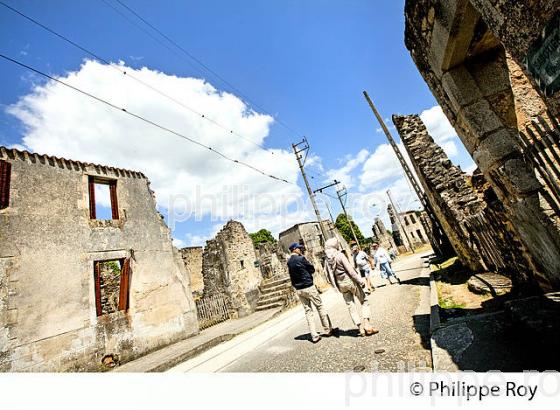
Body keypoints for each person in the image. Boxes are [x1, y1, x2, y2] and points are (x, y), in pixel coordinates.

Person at [325, 238, 378, 337]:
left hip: (340, 284)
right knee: (364, 301)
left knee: (350, 306)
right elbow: (351, 271)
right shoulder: (340, 255)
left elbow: (327, 275)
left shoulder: (327, 259)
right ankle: (367, 325)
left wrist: (335, 285)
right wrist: (360, 281)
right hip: (349, 281)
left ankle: (360, 329)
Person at [287, 242, 333, 343]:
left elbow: (291, 275)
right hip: (308, 286)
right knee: (319, 306)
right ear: (294, 249)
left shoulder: (289, 262)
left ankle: (314, 335)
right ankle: (327, 329)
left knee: (308, 312)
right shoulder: (301, 258)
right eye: (298, 248)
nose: (300, 250)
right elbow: (312, 269)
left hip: (299, 289)